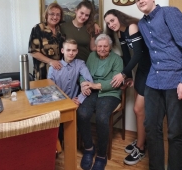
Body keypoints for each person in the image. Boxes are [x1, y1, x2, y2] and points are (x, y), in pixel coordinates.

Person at [134, 0, 182, 170]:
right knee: (152, 129)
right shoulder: (142, 24)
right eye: (137, 0)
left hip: (176, 81)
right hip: (154, 81)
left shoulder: (170, 13)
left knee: (175, 132)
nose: (141, 1)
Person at [104, 9, 151, 165]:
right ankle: (142, 140)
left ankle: (141, 148)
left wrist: (123, 74)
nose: (111, 25)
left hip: (151, 70)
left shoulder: (132, 26)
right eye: (108, 23)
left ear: (119, 17)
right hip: (142, 70)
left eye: (112, 20)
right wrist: (129, 76)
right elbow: (127, 55)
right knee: (140, 111)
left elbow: (138, 53)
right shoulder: (120, 33)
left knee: (138, 109)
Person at [77, 34, 123, 170]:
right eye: (99, 46)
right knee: (82, 113)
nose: (102, 49)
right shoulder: (92, 56)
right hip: (92, 91)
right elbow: (83, 73)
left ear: (110, 47)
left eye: (105, 46)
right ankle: (89, 148)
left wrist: (96, 85)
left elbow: (116, 82)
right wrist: (83, 84)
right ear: (96, 47)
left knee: (102, 117)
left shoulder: (117, 59)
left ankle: (102, 155)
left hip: (110, 93)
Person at [47, 38, 93, 146]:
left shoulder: (80, 64)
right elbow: (50, 90)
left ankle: (71, 144)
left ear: (77, 51)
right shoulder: (53, 67)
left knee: (77, 118)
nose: (71, 53)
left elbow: (89, 81)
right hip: (57, 101)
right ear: (62, 51)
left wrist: (79, 99)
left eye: (74, 50)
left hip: (73, 101)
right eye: (68, 50)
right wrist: (65, 102)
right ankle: (56, 145)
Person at [28, 3, 65, 80]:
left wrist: (94, 25)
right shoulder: (38, 28)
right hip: (42, 72)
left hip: (59, 72)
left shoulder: (61, 30)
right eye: (52, 14)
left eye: (58, 14)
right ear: (47, 15)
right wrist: (50, 61)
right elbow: (33, 51)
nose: (55, 17)